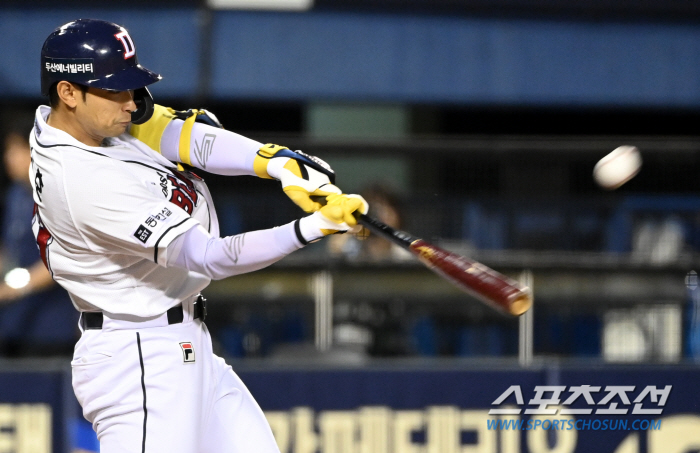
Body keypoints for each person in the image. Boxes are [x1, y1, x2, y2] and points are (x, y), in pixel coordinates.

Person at [33, 19, 368, 453]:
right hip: (139, 359)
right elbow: (211, 257)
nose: (131, 104)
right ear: (68, 92)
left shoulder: (83, 126)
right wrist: (312, 228)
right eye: (114, 91)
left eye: (131, 88)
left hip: (183, 341)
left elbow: (176, 133)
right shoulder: (82, 179)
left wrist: (274, 163)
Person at [0, 117, 77, 356]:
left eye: (17, 149)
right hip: (16, 320)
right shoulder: (16, 195)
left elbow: (62, 258)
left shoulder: (58, 194)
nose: (9, 158)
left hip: (54, 322)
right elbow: (9, 249)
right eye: (8, 150)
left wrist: (12, 288)